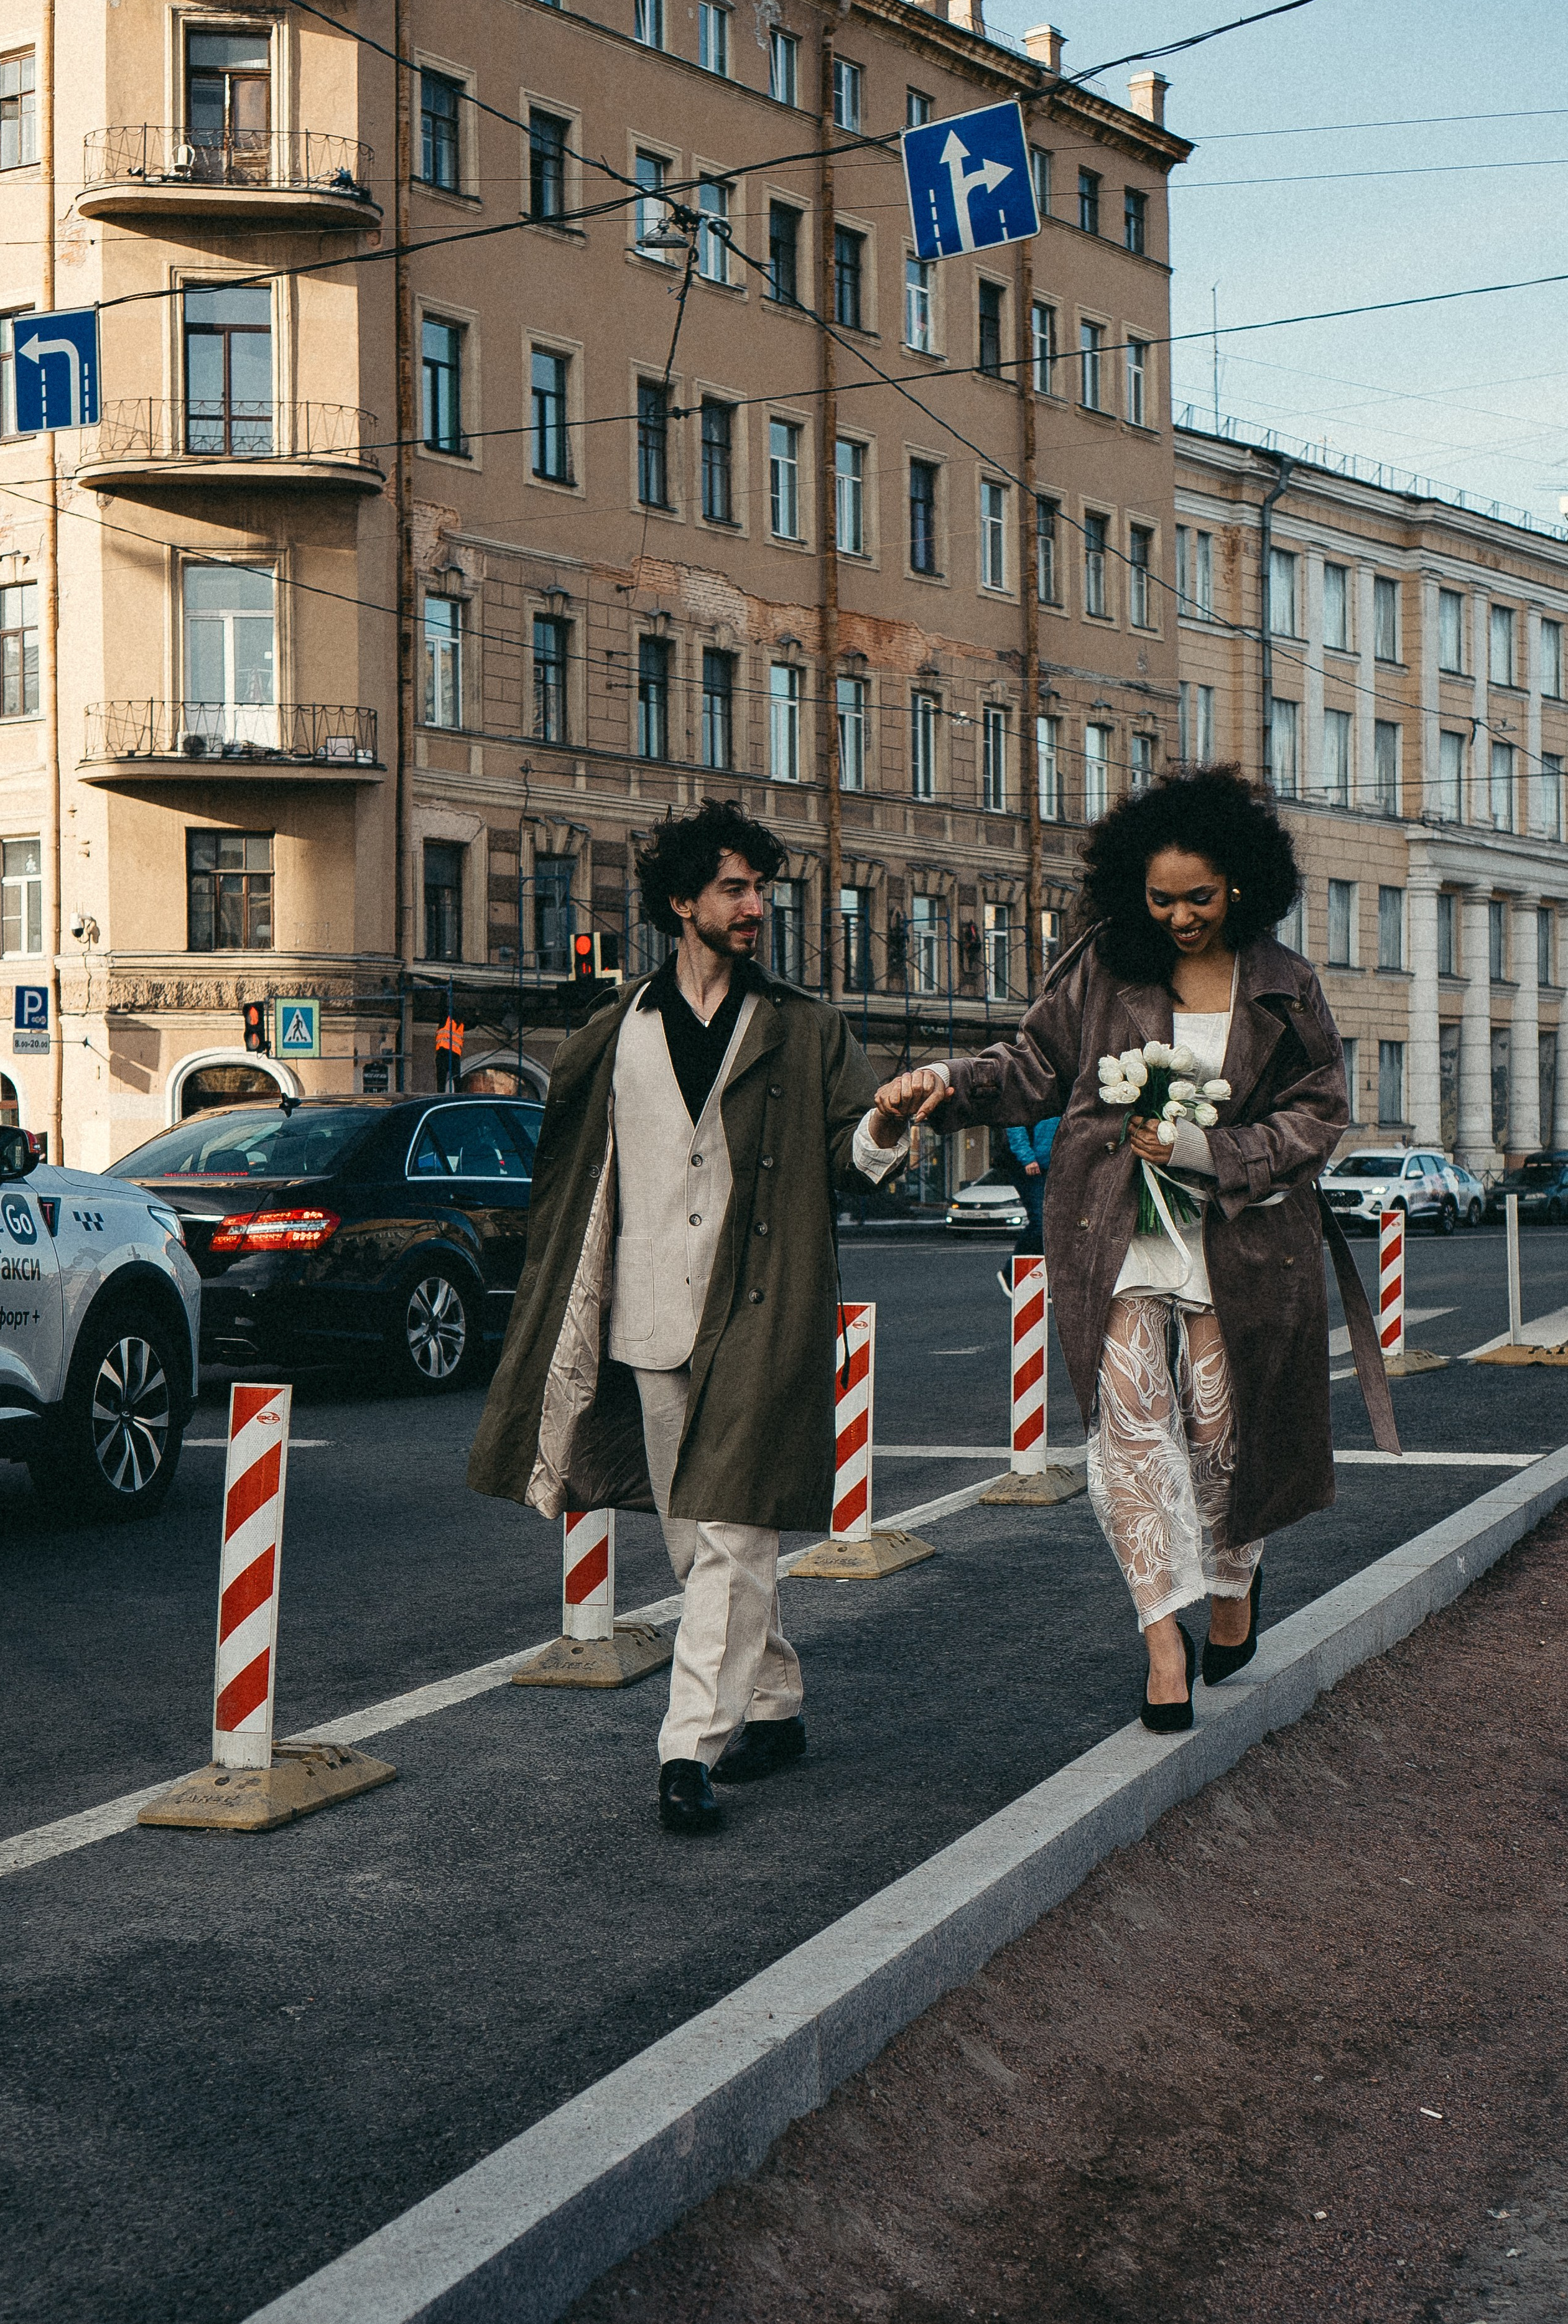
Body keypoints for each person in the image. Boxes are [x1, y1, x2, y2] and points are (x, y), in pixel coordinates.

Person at [873, 766, 1396, 1734]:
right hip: (1110, 1232)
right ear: (1133, 891)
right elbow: (1032, 1066)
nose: (1182, 917)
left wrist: (1211, 1150)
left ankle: (1235, 1578)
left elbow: (1321, 1113)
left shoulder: (1285, 984)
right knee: (1131, 1438)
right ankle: (1163, 1637)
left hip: (1239, 1243)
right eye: (1161, 899)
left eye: (1201, 897)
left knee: (1221, 1434)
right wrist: (945, 1078)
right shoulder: (1107, 965)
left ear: (1241, 882)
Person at [467, 799, 914, 1834]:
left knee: (726, 1531)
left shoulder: (808, 1029)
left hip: (763, 1316)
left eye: (763, 888)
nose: (757, 906)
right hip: (652, 1318)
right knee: (697, 1538)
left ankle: (687, 1752)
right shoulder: (609, 1036)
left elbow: (857, 1159)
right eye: (734, 889)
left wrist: (886, 1122)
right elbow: (575, 1177)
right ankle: (772, 1702)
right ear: (683, 902)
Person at [1006, 1113, 1059, 1248]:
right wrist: (1028, 1158)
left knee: (1054, 1224)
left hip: (1056, 1166)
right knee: (1040, 1223)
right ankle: (1013, 1267)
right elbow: (1015, 1124)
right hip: (1034, 1167)